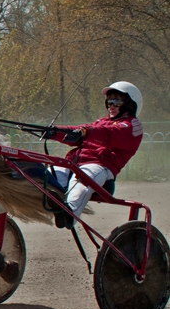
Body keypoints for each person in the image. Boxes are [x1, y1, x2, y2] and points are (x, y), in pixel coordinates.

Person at [43, 81, 144, 224]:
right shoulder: (101, 122)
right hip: (75, 162)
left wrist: (85, 132)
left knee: (84, 177)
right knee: (53, 170)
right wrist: (54, 132)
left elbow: (109, 134)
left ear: (130, 104)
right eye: (109, 102)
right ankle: (56, 201)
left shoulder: (132, 125)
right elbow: (78, 131)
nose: (112, 106)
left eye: (117, 102)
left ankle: (69, 213)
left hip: (101, 166)